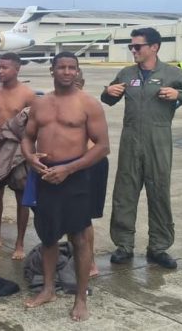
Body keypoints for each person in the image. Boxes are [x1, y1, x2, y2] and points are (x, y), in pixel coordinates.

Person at [102, 28, 182, 269]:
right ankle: (124, 245)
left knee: (159, 192)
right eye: (132, 47)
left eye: (138, 46)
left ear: (154, 47)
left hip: (158, 141)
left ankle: (158, 247)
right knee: (124, 193)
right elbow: (108, 98)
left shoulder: (172, 73)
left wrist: (178, 93)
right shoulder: (127, 73)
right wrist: (107, 92)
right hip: (130, 142)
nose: (133, 51)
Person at [21, 52, 110, 322]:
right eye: (62, 67)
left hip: (75, 176)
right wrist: (30, 157)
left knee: (80, 238)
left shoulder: (88, 104)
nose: (67, 72)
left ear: (78, 71)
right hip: (45, 176)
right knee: (48, 237)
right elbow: (27, 137)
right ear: (53, 70)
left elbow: (103, 147)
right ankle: (48, 289)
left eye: (72, 68)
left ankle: (80, 298)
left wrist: (68, 169)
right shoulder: (40, 104)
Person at [0, 52, 37, 259]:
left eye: (5, 67)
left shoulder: (28, 94)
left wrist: (30, 154)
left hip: (19, 151)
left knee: (22, 198)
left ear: (17, 69)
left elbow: (34, 128)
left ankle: (19, 243)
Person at [74, 70, 109, 277]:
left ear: (83, 82)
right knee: (72, 218)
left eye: (77, 79)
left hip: (90, 164)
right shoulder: (54, 101)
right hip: (67, 165)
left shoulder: (90, 105)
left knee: (85, 219)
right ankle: (79, 257)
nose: (72, 82)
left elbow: (102, 144)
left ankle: (91, 262)